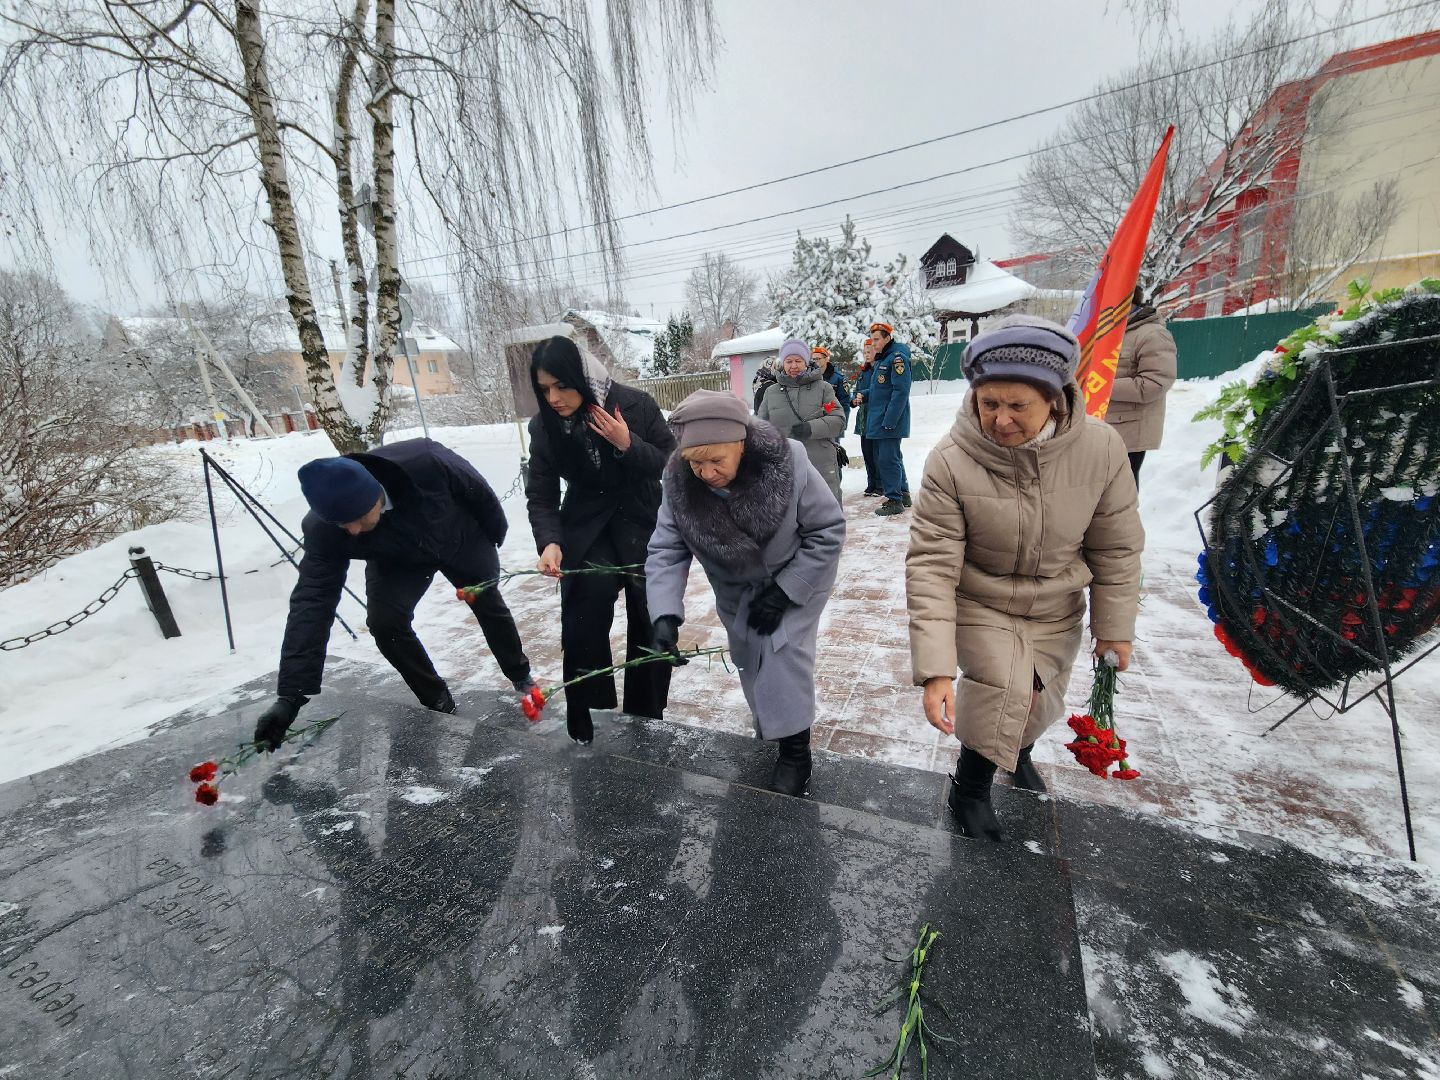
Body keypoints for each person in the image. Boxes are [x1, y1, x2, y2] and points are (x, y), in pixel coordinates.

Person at [906, 315, 1143, 841]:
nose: (1001, 420)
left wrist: (1115, 627)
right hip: (982, 598)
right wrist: (936, 670)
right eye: (989, 403)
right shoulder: (950, 459)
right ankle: (969, 787)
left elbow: (1117, 545)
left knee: (1040, 698)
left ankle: (1021, 751)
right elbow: (931, 565)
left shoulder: (1101, 449)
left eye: (1018, 406)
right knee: (1001, 686)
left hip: (1056, 603)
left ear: (1056, 399)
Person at [254, 438, 532, 750]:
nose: (354, 531)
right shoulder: (325, 530)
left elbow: (477, 490)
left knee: (487, 602)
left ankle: (520, 674)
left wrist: (496, 533)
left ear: (374, 493)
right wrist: (290, 697)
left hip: (458, 538)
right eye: (343, 525)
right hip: (395, 558)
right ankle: (437, 701)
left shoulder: (425, 462)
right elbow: (311, 603)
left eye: (357, 518)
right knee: (385, 623)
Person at [646, 390, 846, 796]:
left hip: (797, 574)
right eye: (695, 462)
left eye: (716, 460)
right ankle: (771, 727)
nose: (705, 472)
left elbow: (828, 531)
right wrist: (665, 614)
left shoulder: (788, 462)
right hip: (735, 589)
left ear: (741, 444)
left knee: (780, 652)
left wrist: (786, 592)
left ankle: (795, 752)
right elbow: (666, 549)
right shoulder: (679, 482)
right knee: (750, 659)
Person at [525, 336, 678, 745]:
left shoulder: (636, 404)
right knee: (584, 609)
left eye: (562, 385)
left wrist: (627, 444)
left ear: (581, 377)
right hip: (586, 524)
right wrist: (550, 541)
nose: (554, 397)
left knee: (648, 614)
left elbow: (670, 460)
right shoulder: (544, 425)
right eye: (544, 389)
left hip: (641, 519)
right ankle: (583, 699)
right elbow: (540, 492)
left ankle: (647, 711)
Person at [755, 338, 846, 504]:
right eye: (789, 361)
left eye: (798, 361)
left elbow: (838, 420)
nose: (794, 366)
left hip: (821, 463)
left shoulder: (823, 388)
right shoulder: (771, 392)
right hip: (786, 466)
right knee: (791, 518)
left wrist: (811, 428)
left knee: (827, 515)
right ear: (783, 363)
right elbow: (760, 428)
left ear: (806, 362)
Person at [1108, 286, 1178, 486]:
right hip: (1104, 426)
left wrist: (1103, 388)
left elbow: (1155, 383)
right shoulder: (1111, 331)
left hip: (1128, 431)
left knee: (1121, 494)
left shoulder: (1152, 334)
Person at [865, 322, 913, 516]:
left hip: (888, 419)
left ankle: (894, 500)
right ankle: (903, 493)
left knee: (886, 459)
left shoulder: (896, 358)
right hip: (881, 418)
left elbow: (901, 391)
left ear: (887, 338)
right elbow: (880, 390)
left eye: (877, 339)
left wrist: (890, 420)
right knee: (893, 457)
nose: (873, 343)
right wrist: (863, 394)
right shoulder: (884, 358)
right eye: (872, 339)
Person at [852, 337, 882, 497]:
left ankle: (880, 484)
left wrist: (863, 396)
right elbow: (856, 390)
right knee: (867, 453)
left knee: (877, 454)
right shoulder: (863, 372)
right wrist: (854, 399)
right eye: (865, 352)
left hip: (875, 417)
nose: (867, 354)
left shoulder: (880, 370)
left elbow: (878, 393)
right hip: (863, 418)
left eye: (870, 351)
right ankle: (871, 484)